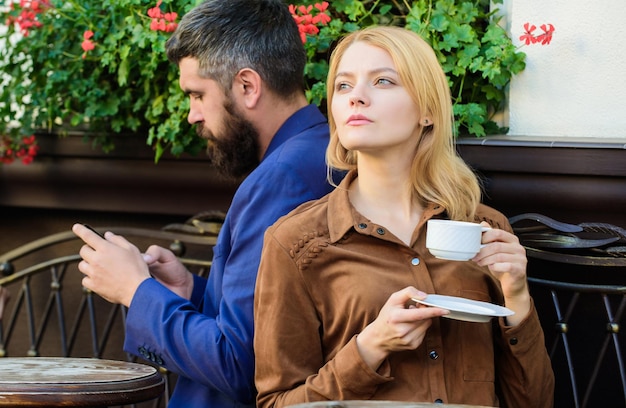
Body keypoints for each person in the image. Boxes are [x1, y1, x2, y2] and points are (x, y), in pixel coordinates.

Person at [254, 26, 555, 407]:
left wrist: (517, 299)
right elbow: (275, 403)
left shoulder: (484, 229)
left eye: (382, 81)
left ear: (427, 111)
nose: (356, 98)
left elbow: (536, 401)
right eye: (343, 86)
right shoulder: (295, 243)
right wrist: (369, 348)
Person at [72, 0, 337, 406]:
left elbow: (240, 364)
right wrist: (190, 291)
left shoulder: (282, 178)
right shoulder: (315, 153)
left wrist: (135, 290)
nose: (193, 115)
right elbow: (277, 323)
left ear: (248, 86)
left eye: (197, 95)